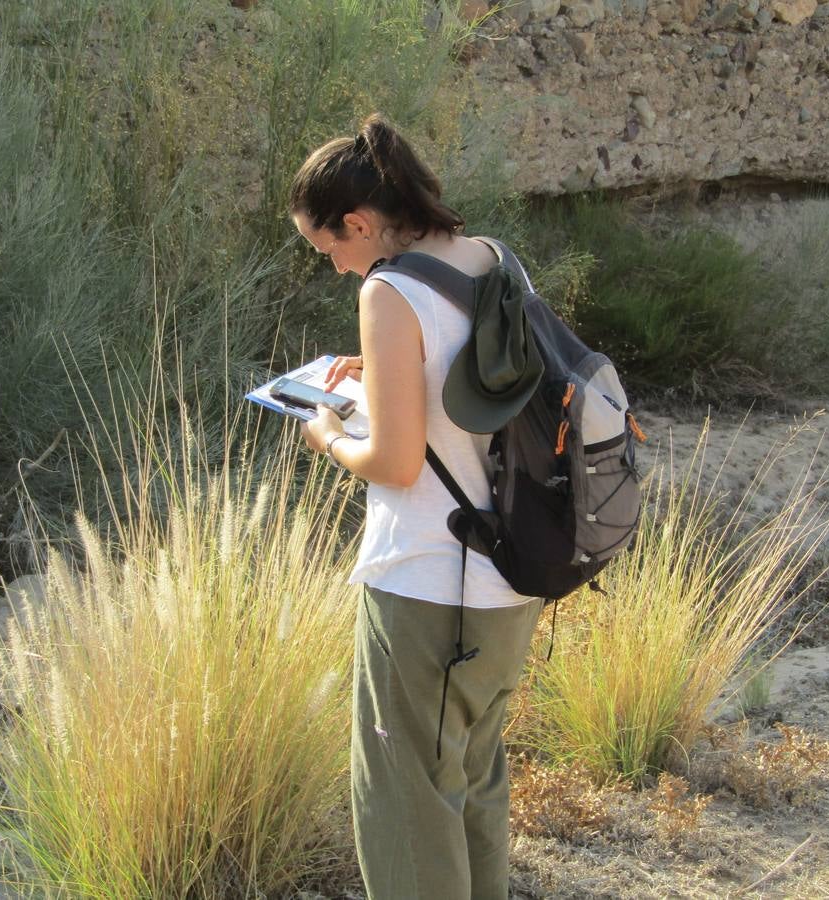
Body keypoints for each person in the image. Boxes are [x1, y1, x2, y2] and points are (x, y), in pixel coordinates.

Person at [289, 114, 543, 900]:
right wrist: (388, 372)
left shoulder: (389, 289)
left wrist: (328, 436)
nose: (335, 267)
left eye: (330, 247)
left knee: (404, 806)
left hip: (428, 592)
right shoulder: (492, 260)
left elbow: (396, 464)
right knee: (471, 786)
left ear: (359, 223)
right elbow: (483, 394)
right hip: (509, 584)